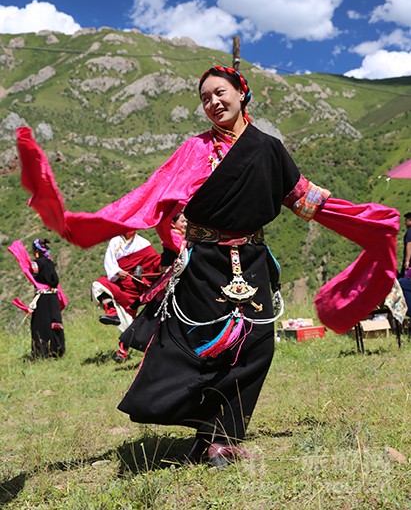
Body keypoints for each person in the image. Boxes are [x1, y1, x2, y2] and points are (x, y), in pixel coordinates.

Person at [16, 65, 399, 467]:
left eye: (220, 92)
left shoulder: (268, 148)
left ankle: (221, 436)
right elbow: (151, 196)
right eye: (205, 98)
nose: (213, 102)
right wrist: (84, 223)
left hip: (252, 261)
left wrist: (366, 222)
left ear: (241, 93)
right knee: (202, 346)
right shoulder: (195, 151)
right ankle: (212, 435)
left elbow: (302, 199)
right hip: (204, 263)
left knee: (258, 346)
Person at [8, 238, 66, 359]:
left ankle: (42, 354)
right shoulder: (51, 263)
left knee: (40, 325)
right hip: (54, 297)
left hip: (43, 298)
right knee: (54, 323)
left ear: (37, 251)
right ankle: (57, 351)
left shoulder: (36, 264)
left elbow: (32, 272)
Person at [91, 230, 161, 327]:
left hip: (135, 288)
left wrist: (164, 266)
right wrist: (117, 271)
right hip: (120, 283)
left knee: (128, 326)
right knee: (98, 285)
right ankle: (112, 312)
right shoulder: (115, 241)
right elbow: (109, 262)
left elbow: (154, 262)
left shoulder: (144, 243)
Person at [399, 212, 411, 278]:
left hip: (410, 261)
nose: (405, 223)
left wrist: (407, 261)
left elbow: (409, 244)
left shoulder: (409, 231)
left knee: (405, 278)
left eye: (406, 220)